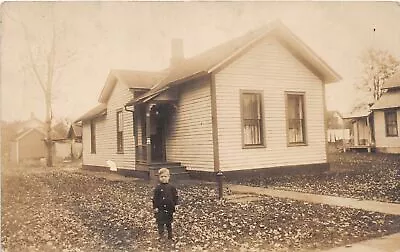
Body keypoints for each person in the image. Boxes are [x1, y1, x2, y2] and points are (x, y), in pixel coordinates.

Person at [152, 168, 178, 240]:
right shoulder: (158, 188)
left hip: (169, 208)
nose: (163, 178)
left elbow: (175, 196)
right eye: (162, 177)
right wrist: (155, 207)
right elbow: (155, 198)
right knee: (160, 223)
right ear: (159, 178)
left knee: (168, 223)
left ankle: (170, 235)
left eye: (165, 176)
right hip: (160, 209)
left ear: (169, 177)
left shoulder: (172, 187)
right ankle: (161, 235)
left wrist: (176, 204)